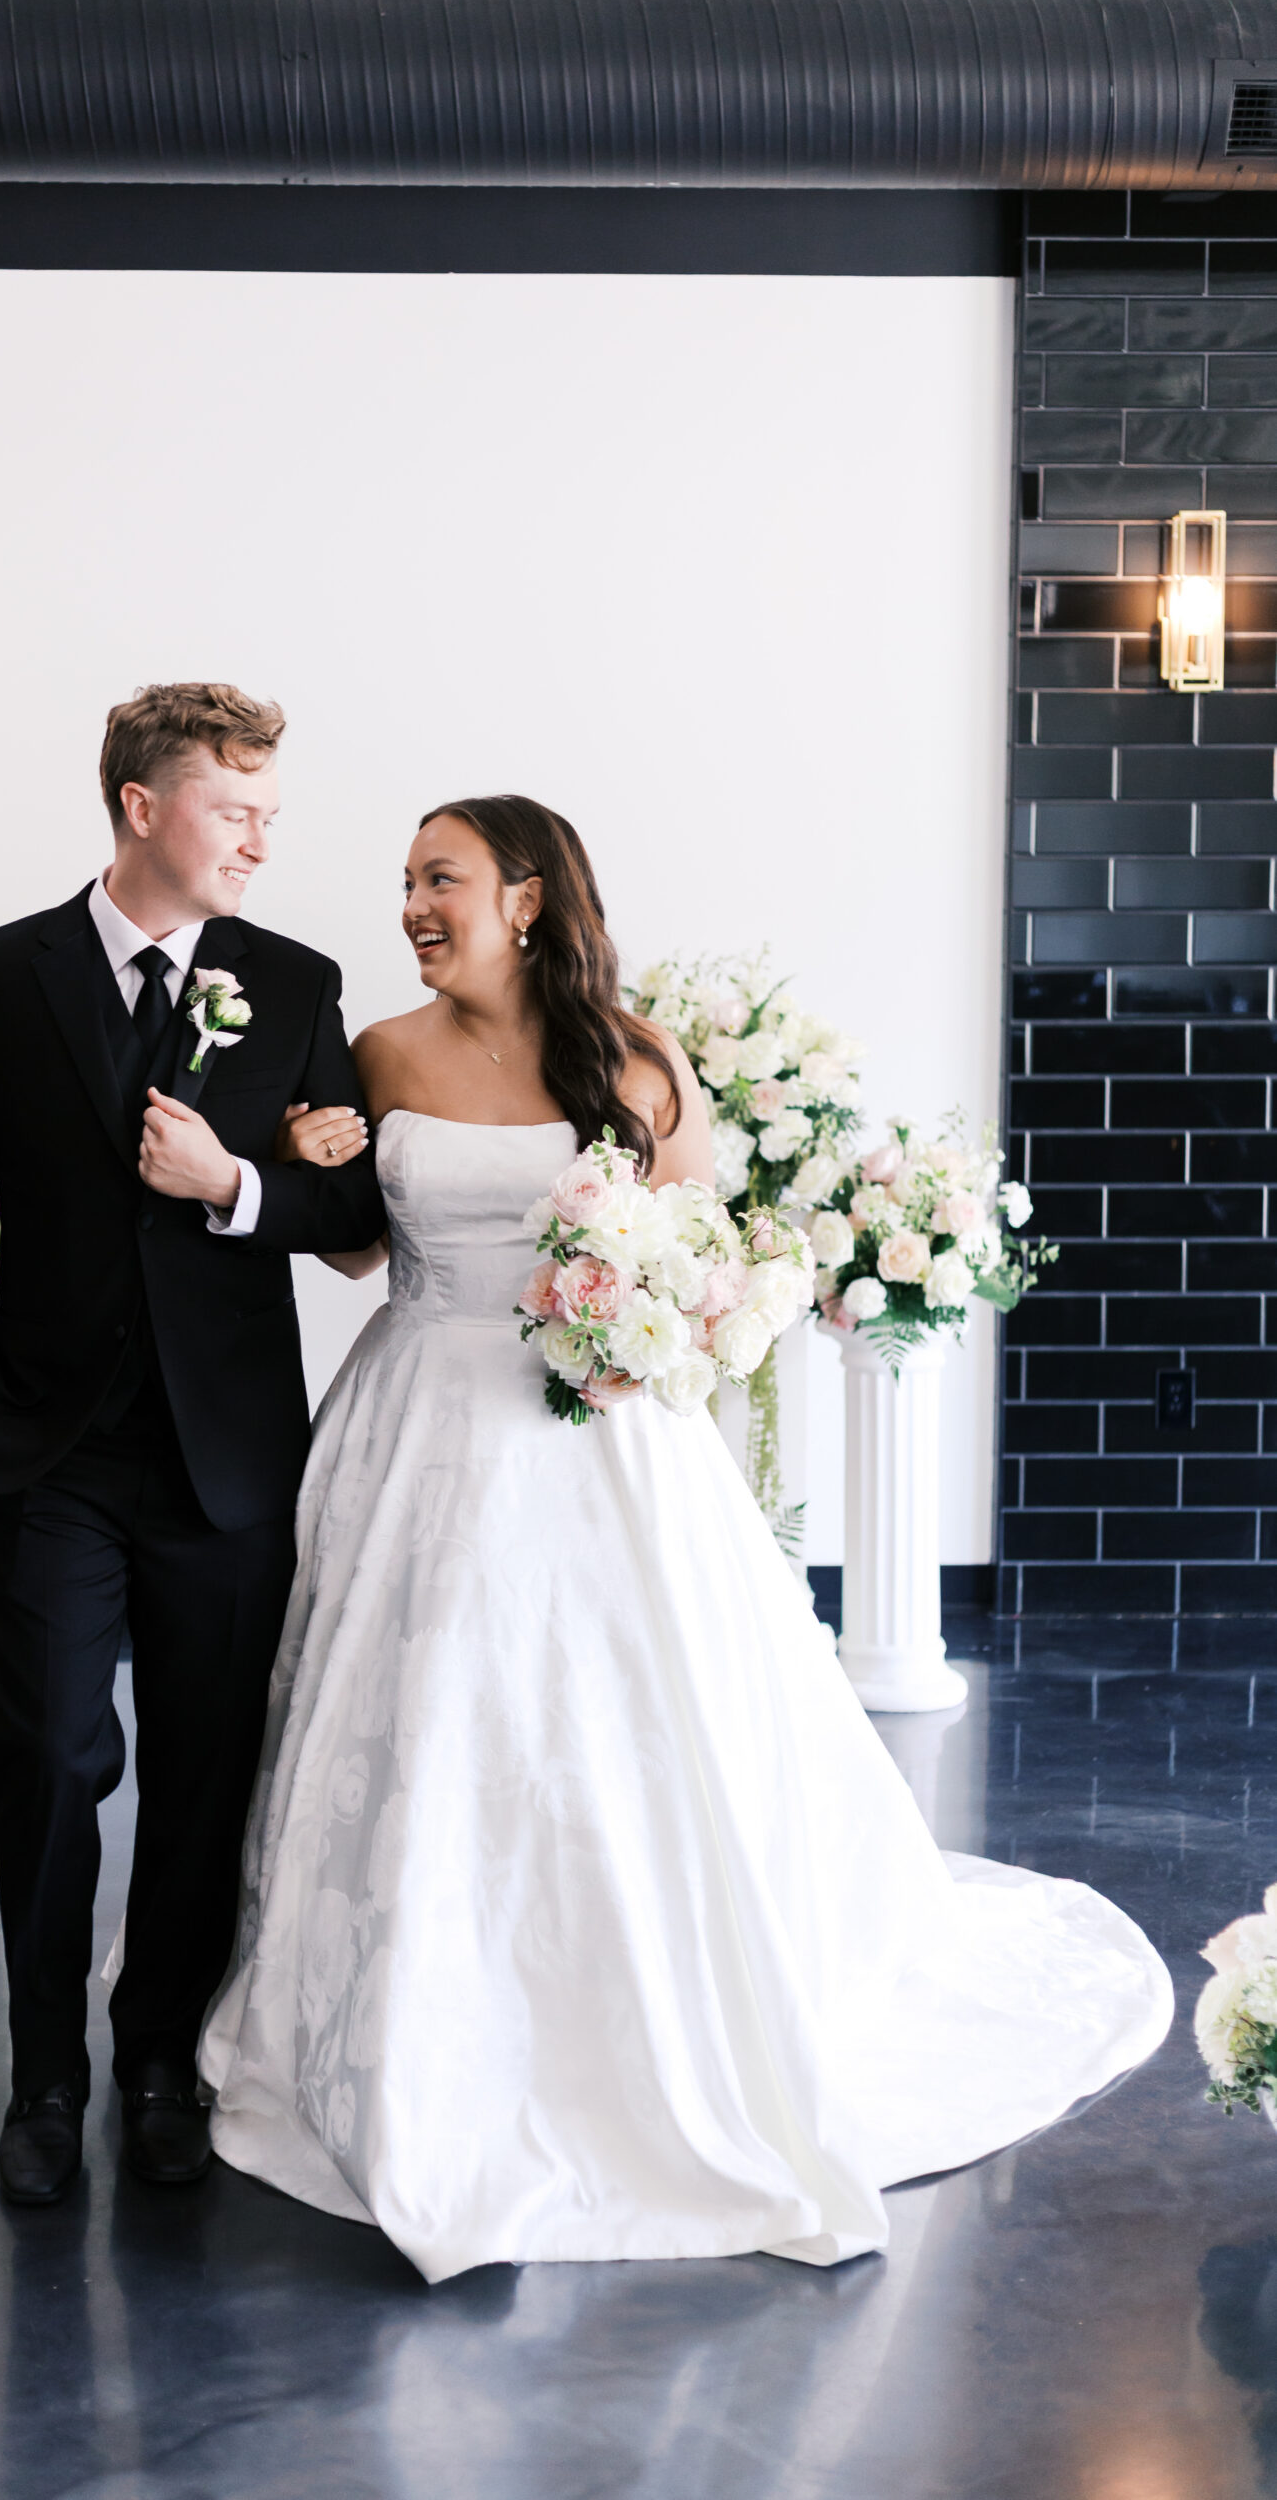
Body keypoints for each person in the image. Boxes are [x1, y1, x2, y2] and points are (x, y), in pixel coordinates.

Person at [195, 794, 1173, 2283]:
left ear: (524, 896)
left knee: (613, 1727)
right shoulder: (380, 1051)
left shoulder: (635, 1059)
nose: (409, 901)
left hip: (595, 1431)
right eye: (404, 881)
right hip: (411, 1421)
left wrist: (647, 1312)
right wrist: (302, 1145)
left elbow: (701, 1253)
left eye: (438, 876)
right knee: (417, 1724)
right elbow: (351, 1244)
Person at [0, 682, 383, 2208]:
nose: (257, 838)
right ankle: (43, 2078)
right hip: (45, 1457)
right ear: (138, 807)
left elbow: (355, 1217)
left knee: (202, 1765)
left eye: (266, 813)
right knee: (48, 1752)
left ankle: (160, 2054)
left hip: (227, 1460)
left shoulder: (297, 983)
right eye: (231, 809)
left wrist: (238, 1182)